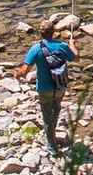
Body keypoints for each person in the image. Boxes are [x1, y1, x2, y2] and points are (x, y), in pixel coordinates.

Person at [22, 21, 76, 152]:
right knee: (56, 110)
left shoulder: (36, 48)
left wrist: (17, 75)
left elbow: (25, 70)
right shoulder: (63, 46)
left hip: (44, 89)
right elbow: (76, 57)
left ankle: (52, 147)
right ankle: (51, 134)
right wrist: (72, 45)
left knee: (47, 117)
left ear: (40, 33)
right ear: (54, 32)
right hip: (60, 87)